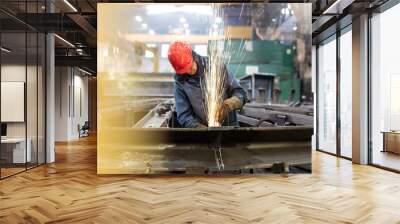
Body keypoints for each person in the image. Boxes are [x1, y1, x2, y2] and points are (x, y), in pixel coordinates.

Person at [168, 41, 247, 128]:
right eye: (184, 70)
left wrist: (229, 105)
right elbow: (184, 115)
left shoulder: (216, 67)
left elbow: (241, 94)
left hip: (230, 129)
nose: (189, 71)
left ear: (192, 55)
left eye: (190, 66)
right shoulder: (180, 82)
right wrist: (198, 127)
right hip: (203, 136)